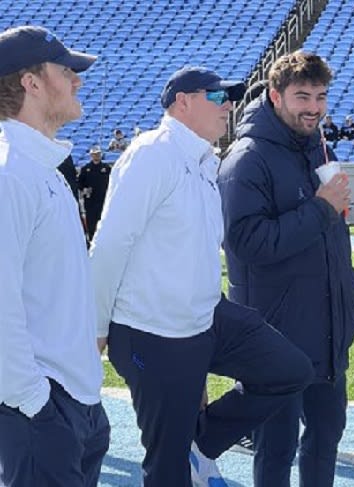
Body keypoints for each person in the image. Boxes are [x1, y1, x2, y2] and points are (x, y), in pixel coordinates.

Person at [89, 66, 313, 487]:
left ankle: (201, 442)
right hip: (153, 333)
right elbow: (109, 245)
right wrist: (96, 327)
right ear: (183, 102)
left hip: (206, 317)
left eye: (230, 96)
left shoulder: (203, 160)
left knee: (289, 369)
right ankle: (186, 450)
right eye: (217, 95)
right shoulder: (152, 154)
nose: (229, 104)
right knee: (168, 468)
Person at [217, 50, 354, 487]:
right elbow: (246, 243)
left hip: (328, 330)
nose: (313, 107)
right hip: (276, 335)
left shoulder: (319, 147)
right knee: (276, 446)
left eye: (320, 96)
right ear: (276, 96)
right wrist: (319, 210)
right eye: (302, 96)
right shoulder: (248, 158)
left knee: (326, 434)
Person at [0, 25, 109, 487]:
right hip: (43, 408)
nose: (77, 81)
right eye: (66, 71)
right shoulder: (10, 173)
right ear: (32, 82)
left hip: (75, 401)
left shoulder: (41, 167)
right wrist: (35, 403)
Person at [78, 145, 111, 241]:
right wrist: (84, 190)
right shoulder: (85, 169)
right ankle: (91, 240)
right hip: (90, 201)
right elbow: (79, 183)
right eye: (94, 154)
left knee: (104, 221)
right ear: (91, 155)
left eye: (98, 154)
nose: (96, 156)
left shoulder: (107, 168)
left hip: (103, 201)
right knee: (91, 223)